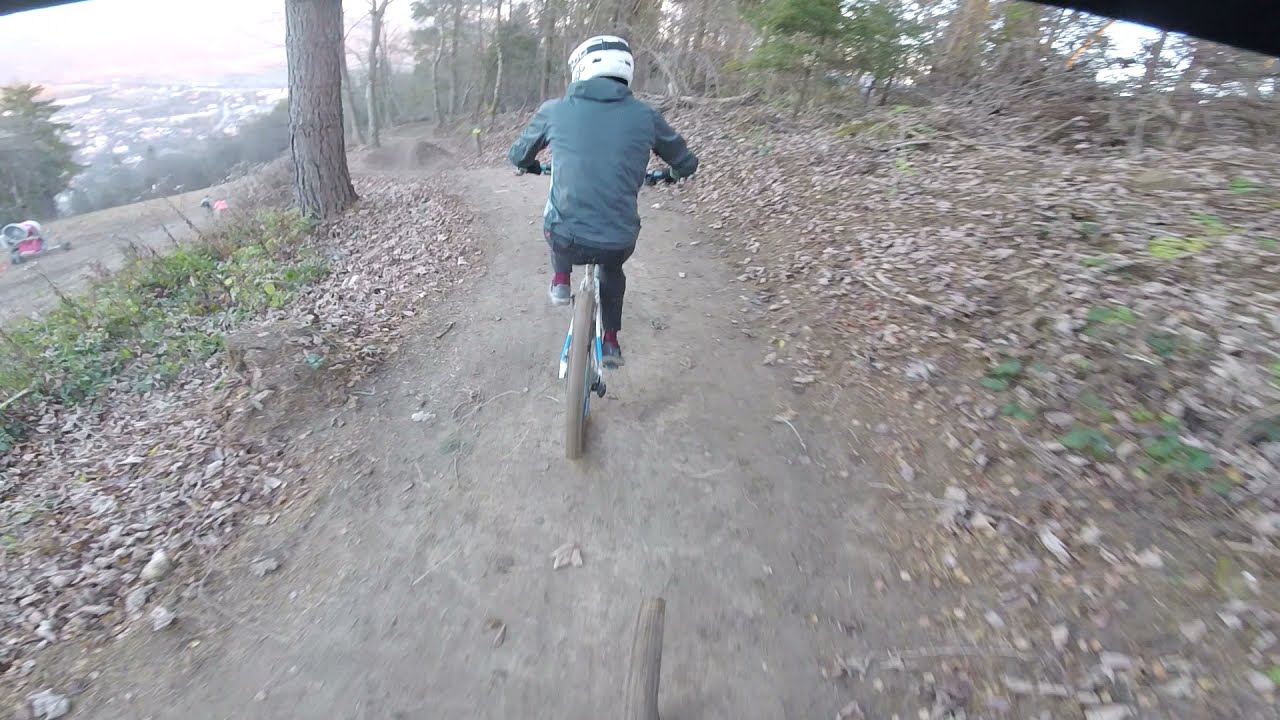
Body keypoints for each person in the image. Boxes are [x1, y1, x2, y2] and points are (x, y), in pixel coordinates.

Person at [508, 35, 700, 368]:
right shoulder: (646, 116)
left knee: (555, 211)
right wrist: (668, 176)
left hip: (565, 238)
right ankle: (610, 342)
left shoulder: (554, 110)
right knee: (612, 269)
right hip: (618, 241)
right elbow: (687, 164)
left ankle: (560, 279)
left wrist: (530, 166)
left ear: (580, 69)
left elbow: (517, 155)